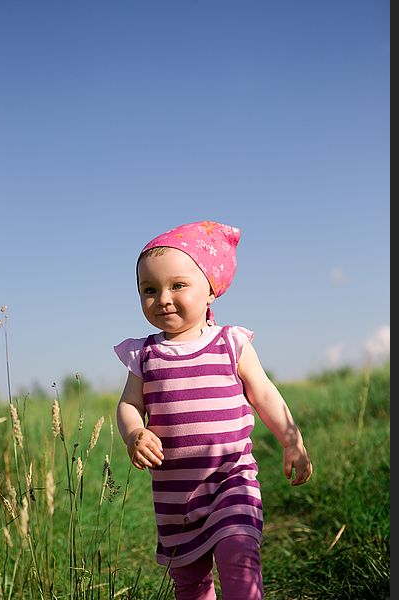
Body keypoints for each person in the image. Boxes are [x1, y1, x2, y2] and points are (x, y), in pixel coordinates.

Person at [115, 220, 312, 600]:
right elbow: (128, 404)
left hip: (231, 478)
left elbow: (265, 394)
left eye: (178, 285)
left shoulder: (231, 342)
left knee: (239, 558)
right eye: (149, 290)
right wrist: (134, 432)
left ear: (211, 290)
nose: (163, 298)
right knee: (190, 582)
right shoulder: (144, 354)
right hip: (176, 494)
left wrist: (292, 440)